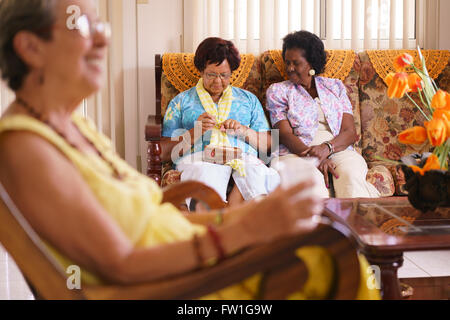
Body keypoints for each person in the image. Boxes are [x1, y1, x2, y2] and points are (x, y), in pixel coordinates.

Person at [0, 0, 378, 300]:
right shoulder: (27, 148)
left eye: (101, 25)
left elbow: (144, 215)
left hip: (195, 234)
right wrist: (244, 229)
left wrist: (237, 218)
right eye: (80, 25)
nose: (102, 39)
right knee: (333, 259)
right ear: (31, 47)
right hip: (181, 279)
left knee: (325, 246)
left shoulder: (69, 126)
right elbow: (123, 266)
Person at [162, 37, 280, 208]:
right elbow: (164, 152)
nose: (218, 81)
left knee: (255, 172)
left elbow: (271, 145)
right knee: (206, 172)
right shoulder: (181, 102)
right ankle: (215, 220)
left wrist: (244, 131)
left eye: (224, 75)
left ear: (232, 72)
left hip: (243, 158)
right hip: (200, 159)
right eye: (211, 75)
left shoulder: (248, 100)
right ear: (201, 71)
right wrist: (195, 132)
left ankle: (233, 220)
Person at [267, 31, 380, 198]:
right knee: (311, 185)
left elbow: (349, 133)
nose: (290, 68)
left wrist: (326, 149)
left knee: (350, 177)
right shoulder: (278, 91)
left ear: (311, 63)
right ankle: (318, 225)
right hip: (295, 152)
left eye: (296, 63)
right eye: (287, 62)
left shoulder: (335, 87)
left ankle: (355, 224)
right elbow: (284, 134)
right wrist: (315, 157)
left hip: (338, 149)